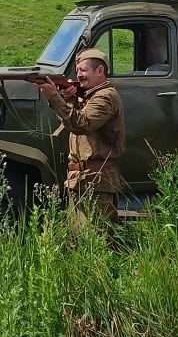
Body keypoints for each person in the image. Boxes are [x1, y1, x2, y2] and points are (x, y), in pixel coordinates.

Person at [38, 48, 125, 223]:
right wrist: (69, 99)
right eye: (77, 70)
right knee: (78, 242)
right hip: (82, 180)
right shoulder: (87, 96)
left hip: (96, 180)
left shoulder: (104, 97)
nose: (79, 75)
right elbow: (74, 121)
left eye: (84, 70)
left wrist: (55, 97)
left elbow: (82, 124)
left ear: (100, 71)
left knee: (100, 241)